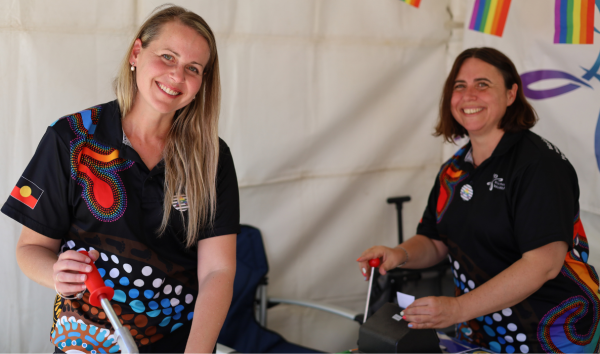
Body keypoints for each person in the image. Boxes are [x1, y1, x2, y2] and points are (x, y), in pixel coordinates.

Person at [1, 5, 239, 353]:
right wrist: (55, 272)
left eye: (193, 68)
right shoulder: (71, 138)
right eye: (167, 56)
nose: (177, 76)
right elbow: (30, 249)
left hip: (178, 343)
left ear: (202, 82)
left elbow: (217, 272)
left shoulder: (212, 157)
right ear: (137, 52)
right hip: (83, 343)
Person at [357, 47, 600, 353]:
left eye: (482, 84)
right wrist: (399, 253)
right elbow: (435, 242)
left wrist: (457, 308)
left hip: (551, 336)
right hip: (476, 335)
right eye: (460, 86)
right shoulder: (454, 170)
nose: (469, 95)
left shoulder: (538, 165)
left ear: (511, 94)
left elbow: (543, 265)